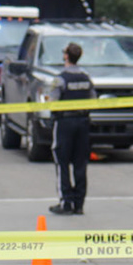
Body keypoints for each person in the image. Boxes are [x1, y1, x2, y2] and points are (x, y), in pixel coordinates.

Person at [50, 41, 95, 216]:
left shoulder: (60, 79)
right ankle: (79, 204)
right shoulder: (86, 78)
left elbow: (53, 103)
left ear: (66, 56)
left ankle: (66, 203)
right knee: (80, 163)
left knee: (62, 163)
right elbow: (93, 99)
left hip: (65, 123)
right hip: (83, 123)